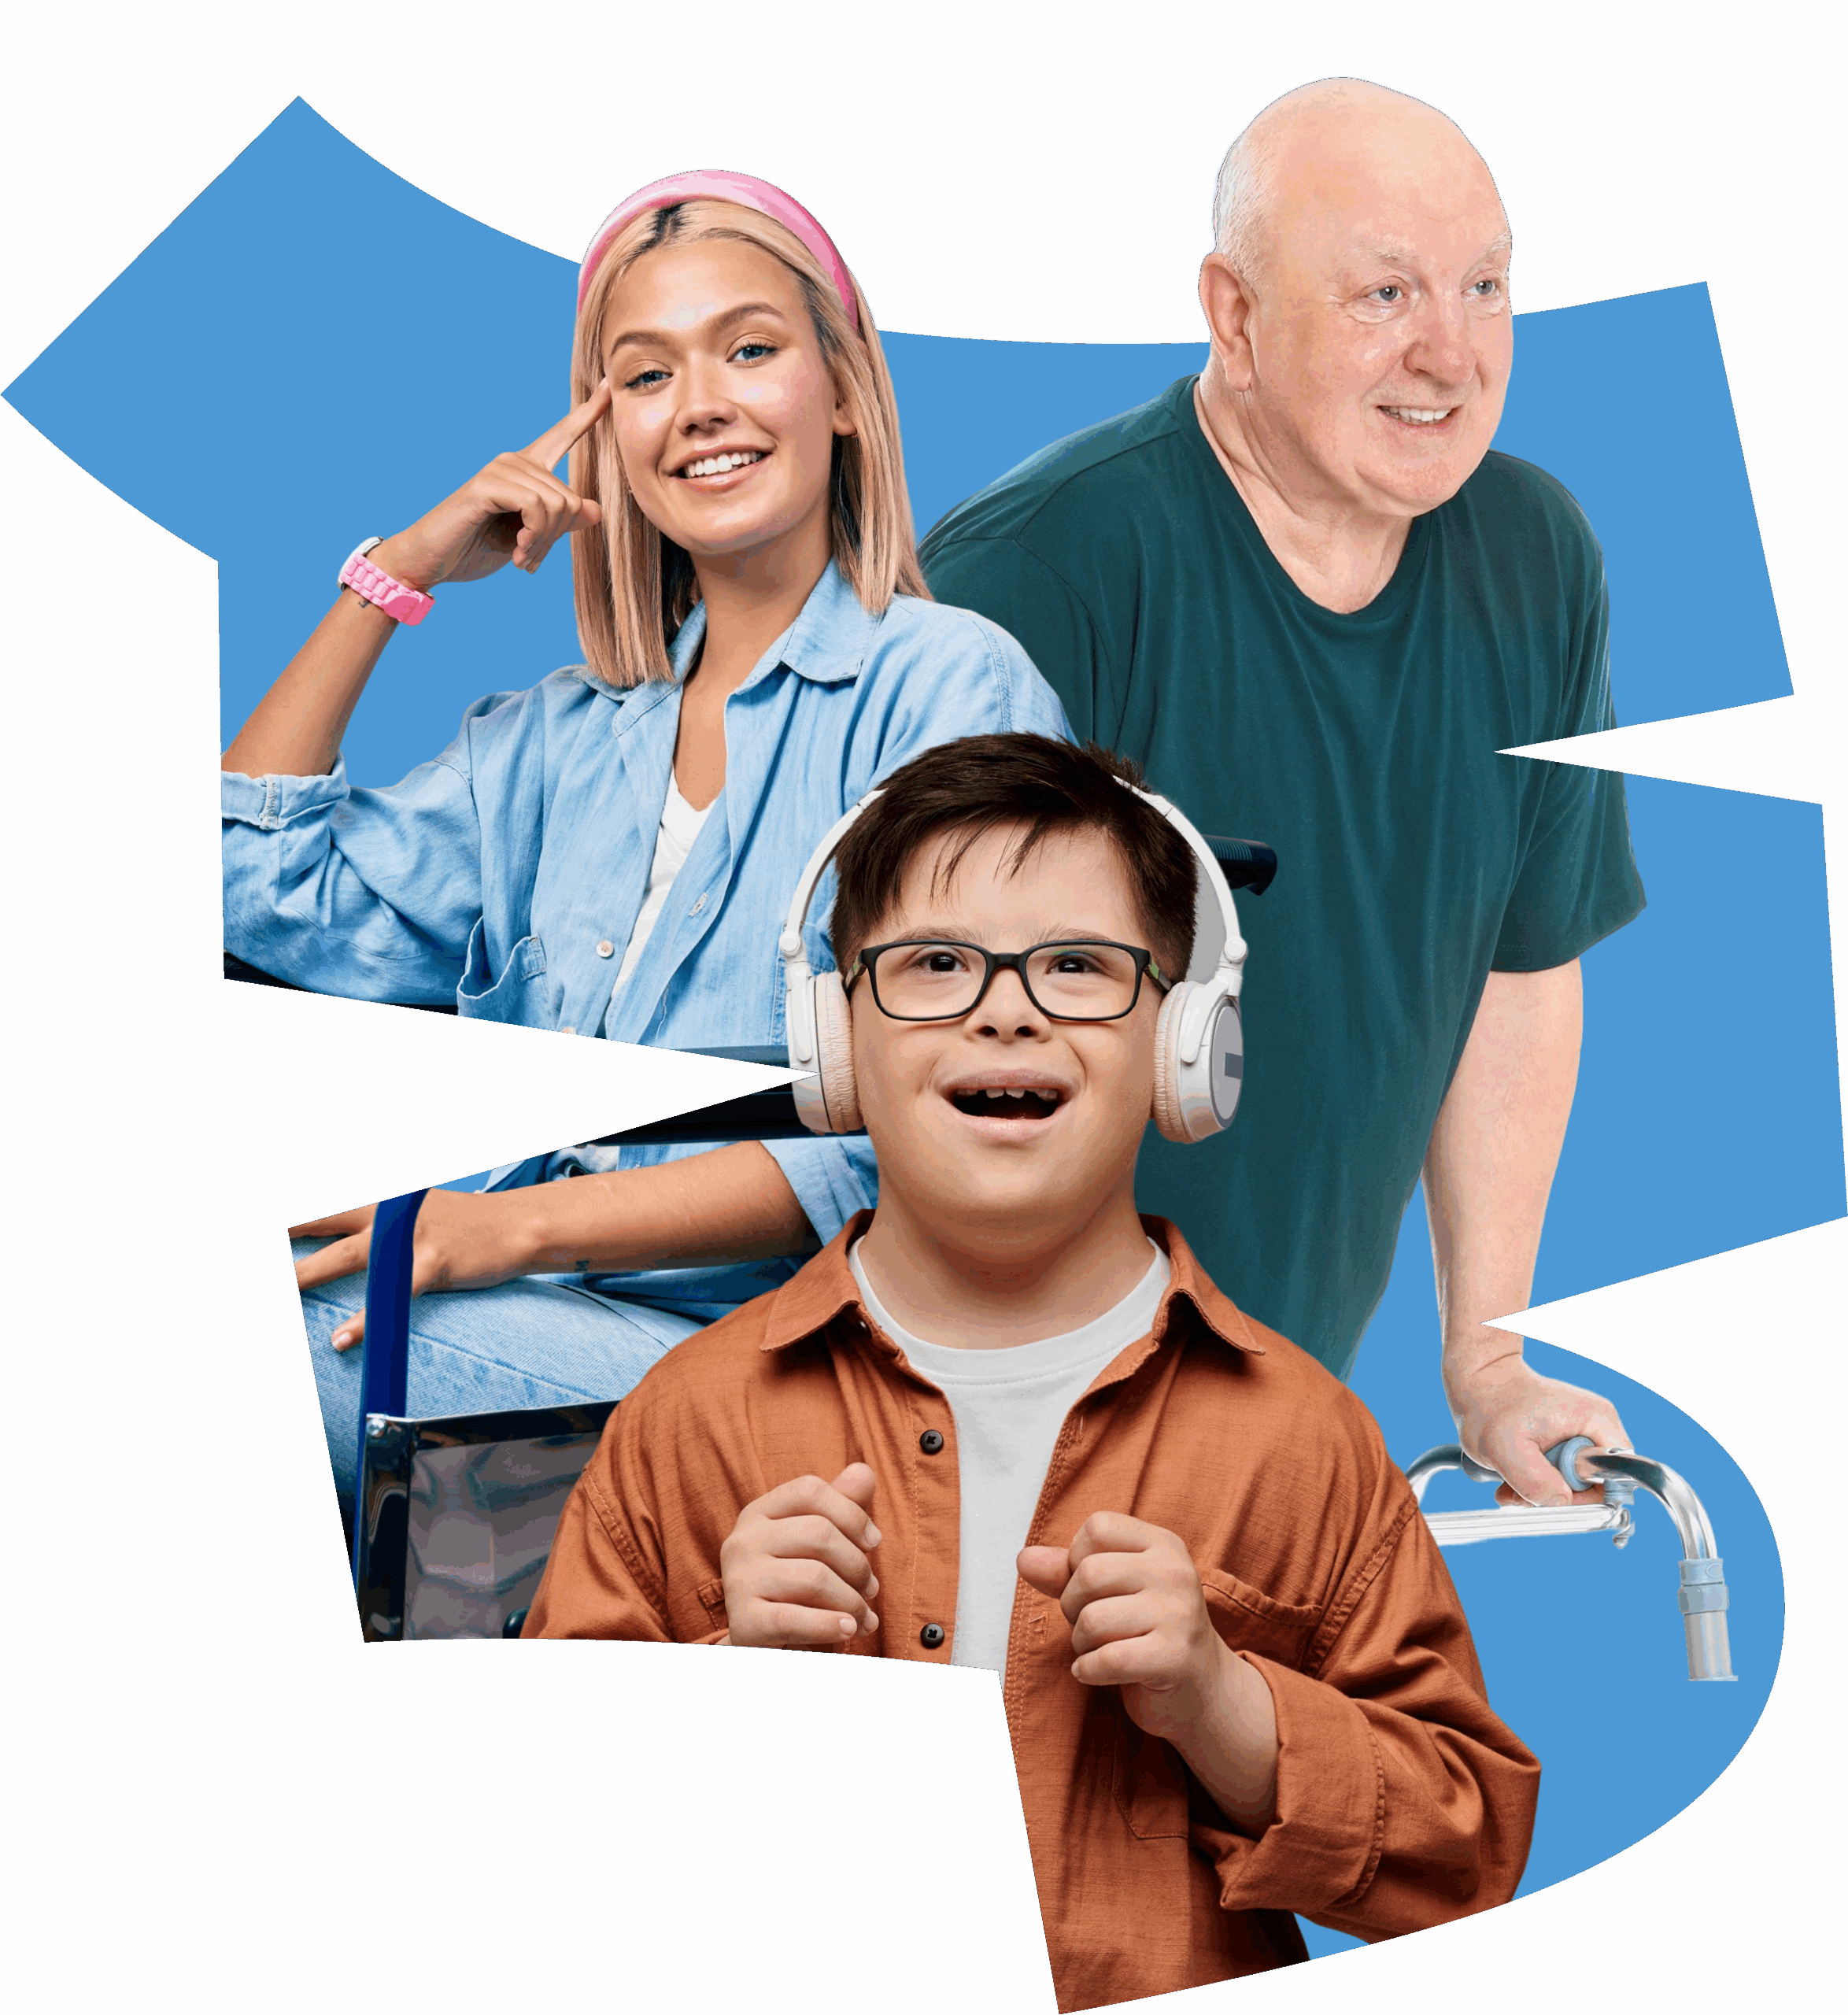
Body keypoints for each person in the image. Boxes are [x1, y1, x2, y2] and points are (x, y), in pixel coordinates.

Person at [524, 733, 1540, 2014]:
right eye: (935, 965)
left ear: (1184, 1040)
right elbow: (538, 1864)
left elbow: (1469, 1860)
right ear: (832, 1038)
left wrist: (1224, 1705)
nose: (1006, 1010)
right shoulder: (690, 1420)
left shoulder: (1304, 1438)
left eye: (1077, 966)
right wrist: (725, 1694)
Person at [220, 172, 1068, 1509]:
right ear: (606, 433)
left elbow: (932, 1127)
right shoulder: (552, 746)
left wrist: (499, 1232)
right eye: (647, 375)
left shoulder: (951, 689)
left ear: (844, 391)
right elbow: (253, 890)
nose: (702, 405)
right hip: (554, 1330)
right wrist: (398, 575)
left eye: (750, 349)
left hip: (814, 1374)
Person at [918, 80, 1645, 1511]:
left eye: (1486, 286)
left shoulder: (1535, 558)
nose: (1449, 353)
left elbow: (1518, 969)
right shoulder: (1037, 581)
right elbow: (885, 1057)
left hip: (1258, 1433)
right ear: (1235, 318)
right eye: (1385, 293)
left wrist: (1485, 1354)